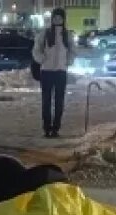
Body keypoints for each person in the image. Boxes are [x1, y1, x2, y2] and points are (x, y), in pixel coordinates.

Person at [33, 8, 75, 138]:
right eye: (55, 17)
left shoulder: (67, 35)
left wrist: (68, 61)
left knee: (59, 102)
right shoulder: (45, 34)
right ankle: (47, 127)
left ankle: (56, 128)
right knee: (46, 101)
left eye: (60, 17)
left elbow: (73, 50)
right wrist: (42, 59)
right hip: (46, 72)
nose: (57, 20)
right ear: (52, 19)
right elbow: (36, 50)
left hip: (60, 73)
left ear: (64, 19)